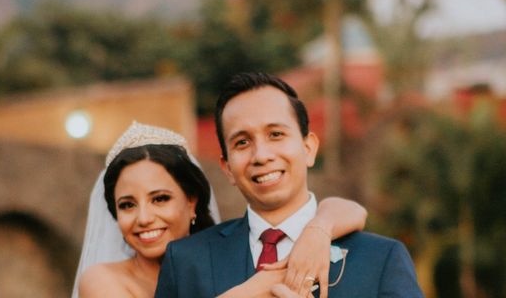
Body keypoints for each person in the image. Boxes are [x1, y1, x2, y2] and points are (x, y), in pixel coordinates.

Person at [155, 72, 425, 298]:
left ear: (308, 148)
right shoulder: (186, 262)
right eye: (242, 142)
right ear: (227, 168)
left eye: (276, 134)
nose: (261, 155)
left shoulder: (381, 259)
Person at [73, 121, 367, 298]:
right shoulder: (102, 281)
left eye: (160, 198)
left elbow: (354, 211)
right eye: (127, 205)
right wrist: (258, 286)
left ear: (192, 201)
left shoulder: (224, 253)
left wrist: (319, 230)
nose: (144, 217)